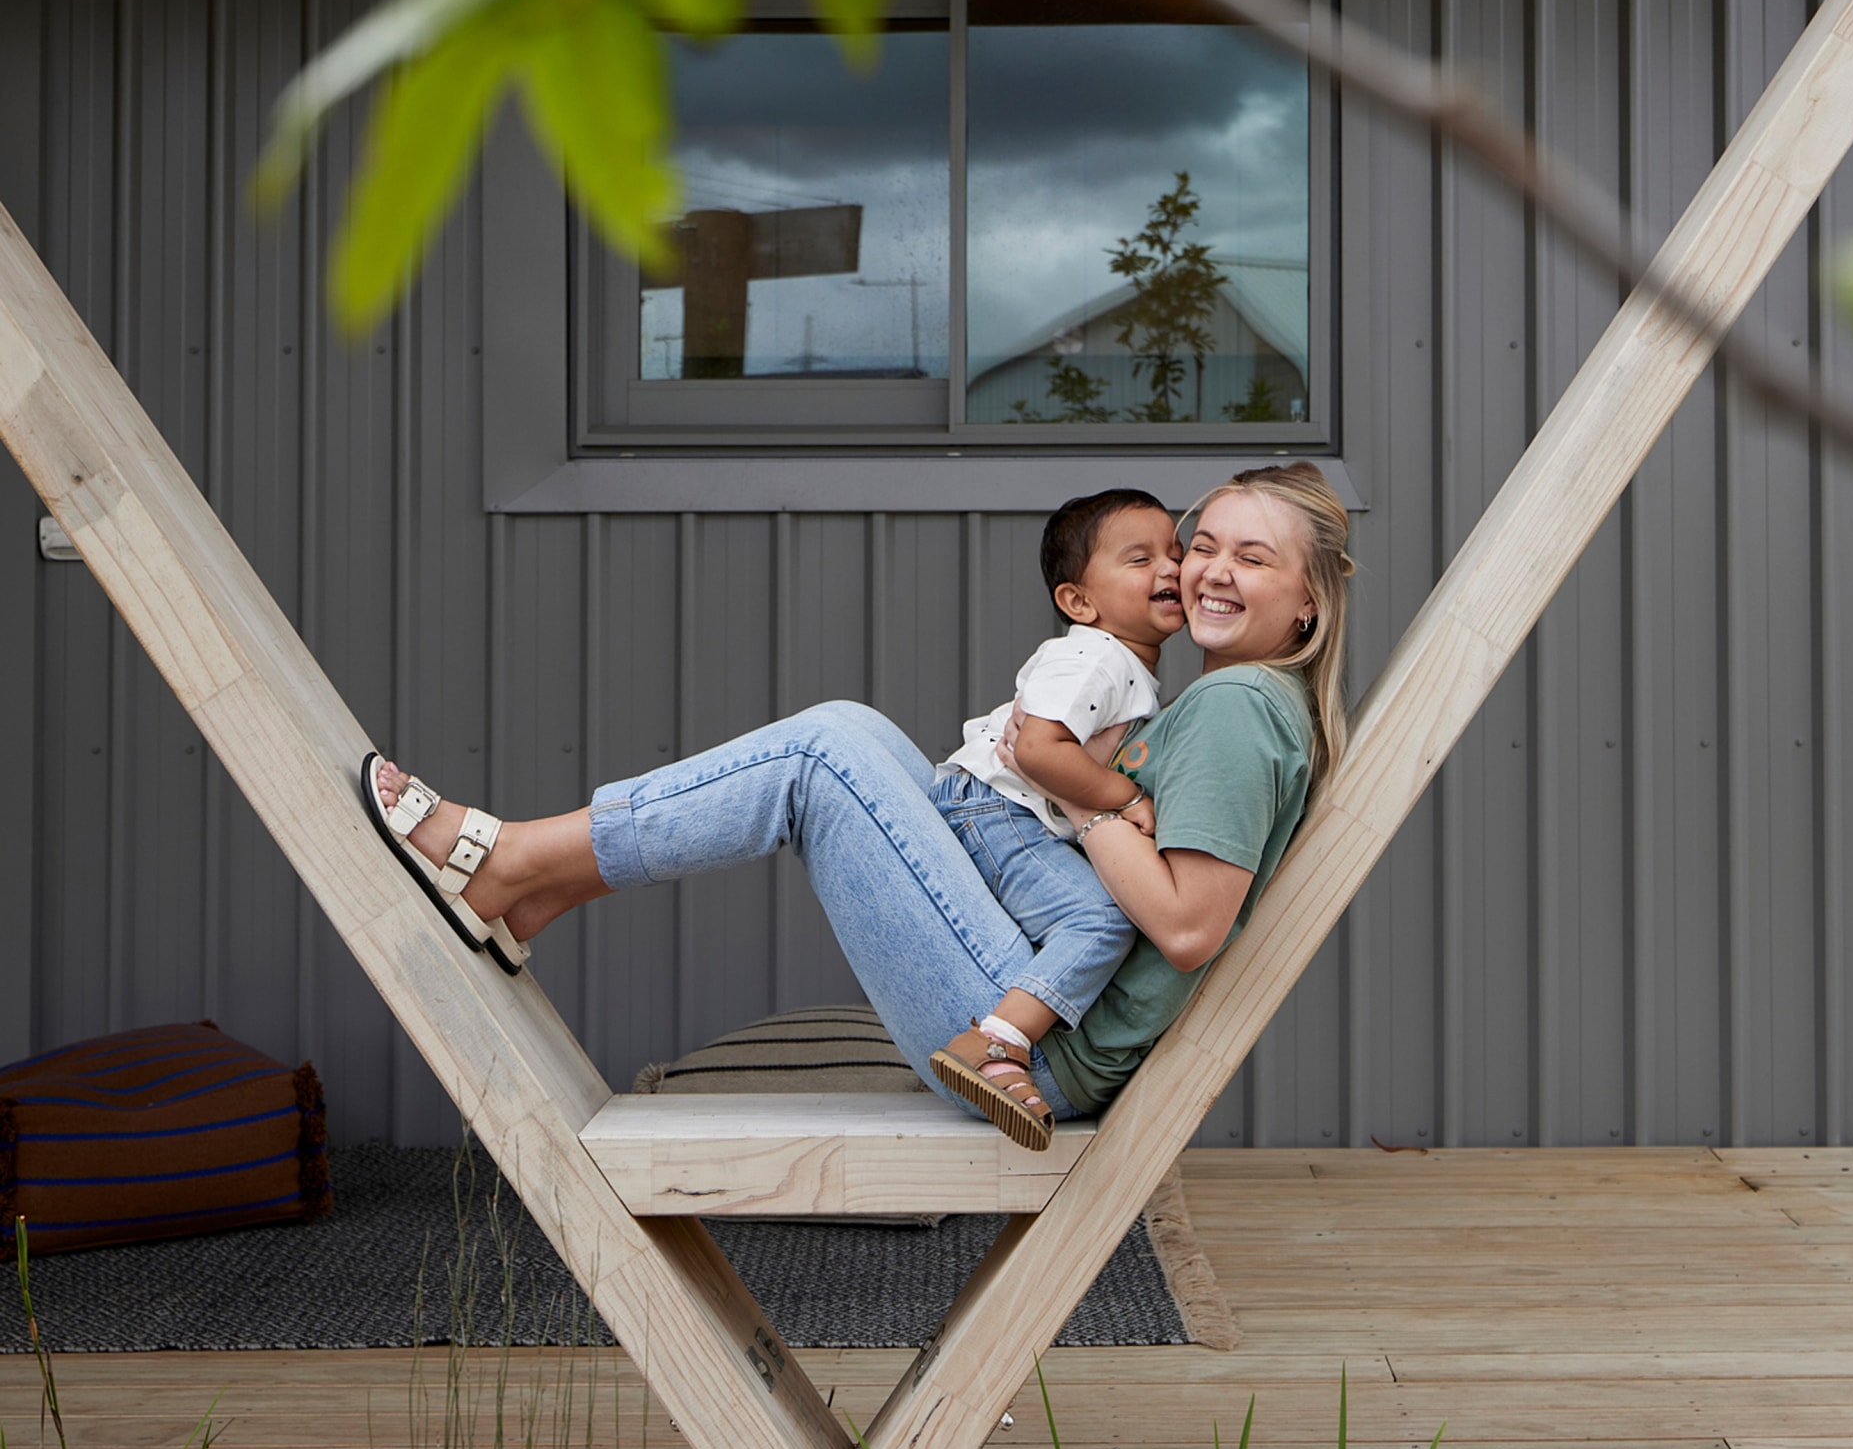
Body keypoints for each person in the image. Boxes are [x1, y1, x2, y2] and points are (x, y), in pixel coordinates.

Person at [359, 461, 1355, 1134]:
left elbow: (1185, 927)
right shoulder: (1246, 700)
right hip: (1052, 992)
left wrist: (1092, 805)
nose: (1208, 570)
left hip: (1044, 1041)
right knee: (859, 732)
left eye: (1252, 558)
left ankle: (510, 862)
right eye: (1203, 543)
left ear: (1306, 598)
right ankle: (538, 888)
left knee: (827, 749)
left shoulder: (1234, 708)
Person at [928, 488, 1185, 1150]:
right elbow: (1039, 748)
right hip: (994, 807)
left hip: (1008, 811)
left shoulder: (1121, 665)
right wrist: (1124, 801)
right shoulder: (1093, 655)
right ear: (1079, 602)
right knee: (1098, 917)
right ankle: (995, 1044)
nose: (1170, 569)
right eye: (1139, 558)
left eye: (1174, 553)